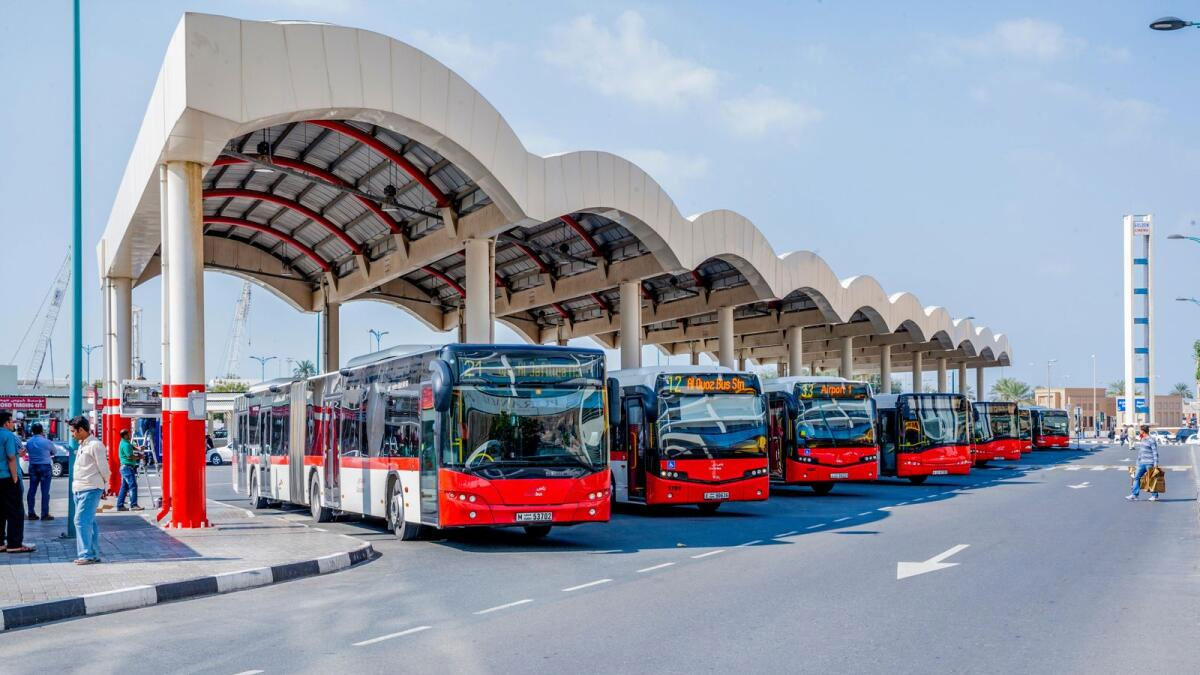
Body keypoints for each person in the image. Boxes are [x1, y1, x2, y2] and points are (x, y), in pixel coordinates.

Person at [69, 416, 109, 564]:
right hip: (79, 489)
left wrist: (105, 485)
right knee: (89, 522)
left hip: (91, 488)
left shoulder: (95, 445)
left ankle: (86, 555)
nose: (72, 434)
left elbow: (104, 468)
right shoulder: (82, 444)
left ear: (81, 430)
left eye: (73, 431)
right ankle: (92, 554)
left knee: (80, 520)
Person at [0, 411, 35, 553]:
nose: (13, 423)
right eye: (11, 421)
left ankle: (0, 542)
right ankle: (15, 544)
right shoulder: (7, 435)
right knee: (16, 512)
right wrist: (15, 476)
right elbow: (11, 458)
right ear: (6, 423)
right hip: (7, 477)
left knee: (0, 511)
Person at [24, 422, 55, 521]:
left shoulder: (29, 442)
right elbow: (54, 451)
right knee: (45, 492)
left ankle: (31, 513)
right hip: (45, 467)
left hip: (33, 467)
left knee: (32, 490)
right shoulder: (46, 442)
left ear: (32, 431)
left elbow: (27, 451)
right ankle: (44, 514)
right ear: (42, 430)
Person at [1127, 424, 1160, 502]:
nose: (1139, 432)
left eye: (1140, 430)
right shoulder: (1143, 439)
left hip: (1150, 463)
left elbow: (1155, 452)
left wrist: (1155, 464)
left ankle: (1155, 496)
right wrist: (1138, 461)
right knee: (1136, 477)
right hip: (1141, 463)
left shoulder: (1151, 440)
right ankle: (1135, 495)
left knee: (1151, 479)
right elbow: (1140, 452)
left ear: (1143, 431)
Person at [115, 429, 142, 511]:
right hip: (127, 468)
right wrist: (139, 457)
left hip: (125, 468)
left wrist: (138, 448)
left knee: (124, 487)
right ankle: (134, 505)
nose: (130, 435)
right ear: (125, 435)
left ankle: (120, 505)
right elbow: (130, 456)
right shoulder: (126, 444)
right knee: (133, 485)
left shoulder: (124, 442)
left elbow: (131, 447)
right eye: (128, 434)